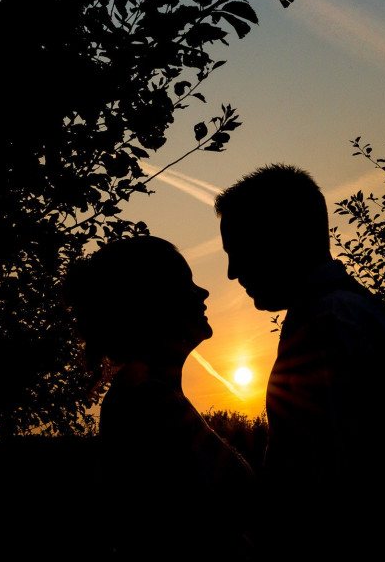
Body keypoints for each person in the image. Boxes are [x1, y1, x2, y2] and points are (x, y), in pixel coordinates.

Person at [215, 164, 385, 545]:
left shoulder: (330, 322)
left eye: (238, 250)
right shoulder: (337, 314)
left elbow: (335, 483)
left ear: (281, 238)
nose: (232, 272)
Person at [63, 235, 257, 560]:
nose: (203, 293)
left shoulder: (151, 392)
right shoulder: (147, 401)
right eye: (187, 284)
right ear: (154, 302)